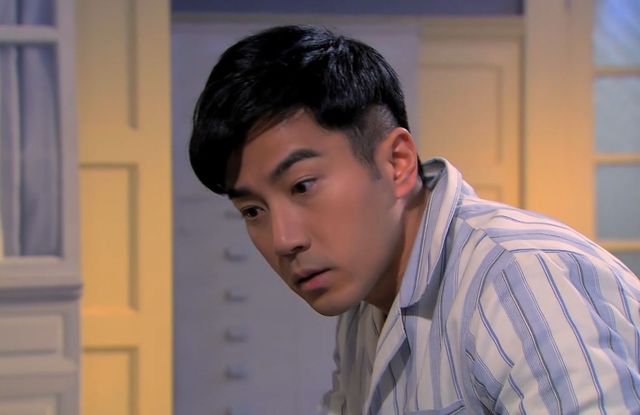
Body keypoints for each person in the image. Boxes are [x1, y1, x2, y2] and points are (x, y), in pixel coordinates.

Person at [189, 24, 640, 414]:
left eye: (303, 186)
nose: (283, 240)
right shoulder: (365, 306)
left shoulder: (520, 280)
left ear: (397, 163)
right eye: (253, 211)